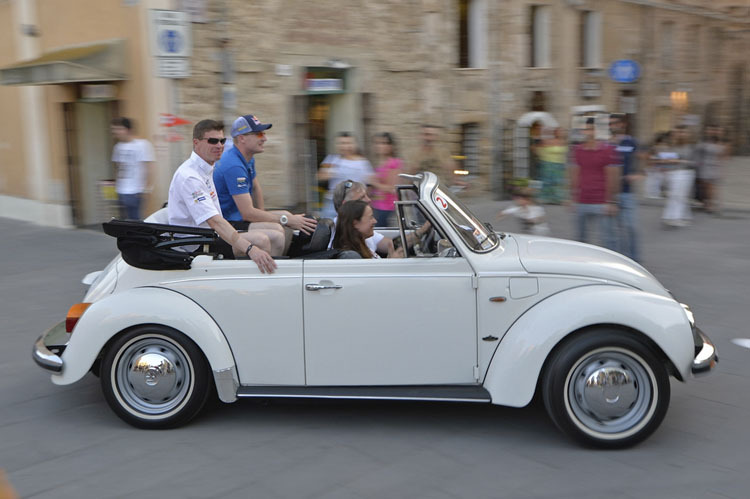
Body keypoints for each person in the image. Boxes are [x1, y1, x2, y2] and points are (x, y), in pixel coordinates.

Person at [167, 119, 277, 274]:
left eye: (222, 141)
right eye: (212, 141)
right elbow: (215, 222)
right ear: (196, 143)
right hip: (196, 243)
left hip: (210, 234)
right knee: (261, 241)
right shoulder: (190, 177)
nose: (219, 145)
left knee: (275, 234)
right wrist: (250, 249)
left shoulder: (206, 167)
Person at [213, 114, 316, 255]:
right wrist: (285, 220)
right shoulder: (234, 166)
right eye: (259, 134)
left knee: (284, 216)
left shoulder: (247, 158)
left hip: (238, 217)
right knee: (277, 233)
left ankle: (282, 263)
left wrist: (262, 214)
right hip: (227, 222)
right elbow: (248, 213)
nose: (264, 138)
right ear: (242, 138)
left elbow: (256, 187)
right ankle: (273, 271)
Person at [569, 118, 620, 250]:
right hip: (582, 200)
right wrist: (572, 198)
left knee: (608, 239)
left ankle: (611, 266)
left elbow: (612, 176)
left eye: (591, 129)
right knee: (580, 239)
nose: (588, 133)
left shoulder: (607, 150)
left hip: (601, 201)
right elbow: (574, 173)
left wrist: (611, 201)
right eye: (585, 129)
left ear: (597, 131)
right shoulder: (578, 150)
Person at [328, 180, 395, 257]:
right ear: (346, 205)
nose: (368, 200)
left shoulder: (363, 229)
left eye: (367, 195)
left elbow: (390, 244)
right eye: (361, 198)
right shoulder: (345, 234)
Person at [318, 132, 374, 218]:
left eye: (348, 143)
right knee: (329, 229)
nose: (345, 146)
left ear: (355, 145)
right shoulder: (331, 159)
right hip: (332, 203)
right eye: (342, 143)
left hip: (354, 204)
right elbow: (320, 176)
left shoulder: (363, 163)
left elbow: (370, 185)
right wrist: (330, 172)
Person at [609, 114, 641, 262]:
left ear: (622, 124)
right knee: (616, 229)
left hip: (627, 192)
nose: (612, 126)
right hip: (611, 193)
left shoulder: (631, 142)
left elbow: (642, 161)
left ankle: (635, 259)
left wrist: (637, 174)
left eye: (615, 123)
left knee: (631, 227)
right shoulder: (607, 144)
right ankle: (620, 260)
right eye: (610, 123)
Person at [111, 117, 154, 220]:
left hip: (135, 191)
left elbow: (149, 167)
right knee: (123, 222)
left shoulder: (142, 145)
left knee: (136, 222)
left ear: (128, 130)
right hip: (121, 190)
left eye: (119, 129)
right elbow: (117, 167)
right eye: (114, 129)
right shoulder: (117, 147)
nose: (116, 132)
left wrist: (147, 189)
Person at [661, 125, 696, 227]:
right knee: (675, 196)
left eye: (683, 132)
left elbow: (695, 162)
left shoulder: (691, 147)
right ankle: (671, 217)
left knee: (680, 196)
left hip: (685, 173)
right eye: (678, 132)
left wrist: (680, 161)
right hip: (673, 173)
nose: (680, 135)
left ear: (688, 134)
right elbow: (664, 160)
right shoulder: (671, 146)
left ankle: (677, 217)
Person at [368, 132, 403, 226]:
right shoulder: (379, 163)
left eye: (384, 143)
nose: (380, 146)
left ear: (391, 146)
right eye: (378, 143)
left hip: (387, 209)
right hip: (376, 207)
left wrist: (374, 183)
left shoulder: (394, 163)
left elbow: (392, 189)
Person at [694, 124, 728, 214]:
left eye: (713, 130)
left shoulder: (719, 142)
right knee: (704, 187)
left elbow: (723, 156)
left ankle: (712, 205)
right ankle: (706, 203)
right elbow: (697, 152)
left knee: (711, 187)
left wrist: (721, 167)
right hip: (704, 166)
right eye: (709, 130)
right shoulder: (703, 141)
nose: (711, 132)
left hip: (713, 167)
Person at [537, 127, 568, 204]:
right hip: (549, 163)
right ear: (555, 133)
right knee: (547, 181)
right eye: (559, 132)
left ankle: (558, 199)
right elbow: (538, 149)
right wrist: (542, 157)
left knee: (558, 182)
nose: (561, 133)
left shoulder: (564, 142)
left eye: (562, 131)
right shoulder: (549, 141)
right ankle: (546, 198)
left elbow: (565, 154)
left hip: (559, 164)